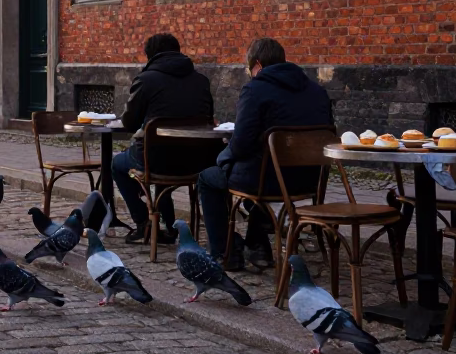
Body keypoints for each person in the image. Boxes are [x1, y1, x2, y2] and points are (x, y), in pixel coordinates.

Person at [198, 38, 333, 269]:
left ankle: (226, 252)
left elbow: (240, 145)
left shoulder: (255, 89)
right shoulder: (317, 90)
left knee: (209, 178)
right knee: (257, 169)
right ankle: (258, 245)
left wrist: (223, 157)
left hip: (266, 179)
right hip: (309, 180)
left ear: (257, 65)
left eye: (249, 68)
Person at [111, 34, 214, 245]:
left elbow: (129, 123)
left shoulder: (146, 79)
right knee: (160, 157)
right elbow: (207, 120)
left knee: (117, 164)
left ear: (150, 56)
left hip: (155, 159)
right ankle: (168, 225)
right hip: (195, 162)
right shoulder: (201, 81)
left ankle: (143, 223)